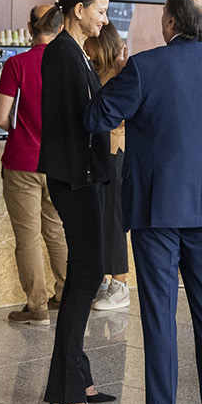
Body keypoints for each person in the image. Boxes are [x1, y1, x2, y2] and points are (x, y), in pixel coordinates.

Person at [86, 0, 202, 404]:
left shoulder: (144, 67)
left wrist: (114, 77)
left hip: (157, 205)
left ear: (171, 22)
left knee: (160, 306)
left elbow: (96, 116)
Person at [37, 0, 116, 404]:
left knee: (87, 277)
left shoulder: (74, 54)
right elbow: (81, 120)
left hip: (83, 177)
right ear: (79, 10)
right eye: (100, 10)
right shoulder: (63, 54)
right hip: (77, 179)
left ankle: (79, 374)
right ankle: (67, 386)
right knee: (84, 278)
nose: (105, 18)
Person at [0, 4, 69, 324]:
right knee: (57, 232)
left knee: (27, 237)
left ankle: (36, 307)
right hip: (60, 163)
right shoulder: (72, 64)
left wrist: (19, 126)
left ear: (29, 28)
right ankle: (66, 296)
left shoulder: (17, 63)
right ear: (62, 29)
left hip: (23, 161)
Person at [85, 23, 132, 311]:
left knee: (114, 218)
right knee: (101, 218)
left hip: (117, 151)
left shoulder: (120, 72)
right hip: (100, 152)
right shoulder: (97, 71)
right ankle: (104, 279)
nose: (86, 47)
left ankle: (120, 283)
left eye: (90, 43)